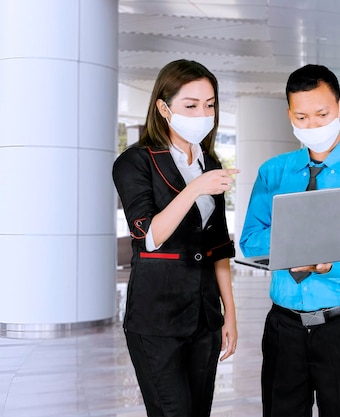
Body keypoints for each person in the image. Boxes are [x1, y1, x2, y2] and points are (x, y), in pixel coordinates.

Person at [240, 64, 340, 416]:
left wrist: (329, 264)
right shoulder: (273, 172)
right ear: (290, 115)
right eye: (302, 116)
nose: (312, 125)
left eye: (322, 114)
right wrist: (297, 239)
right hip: (283, 329)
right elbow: (250, 241)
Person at [112, 59, 239, 417]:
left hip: (204, 319)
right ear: (164, 108)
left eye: (210, 104)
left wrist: (230, 313)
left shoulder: (209, 164)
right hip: (157, 320)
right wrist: (196, 188)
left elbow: (218, 247)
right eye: (191, 105)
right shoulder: (135, 162)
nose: (203, 113)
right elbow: (148, 236)